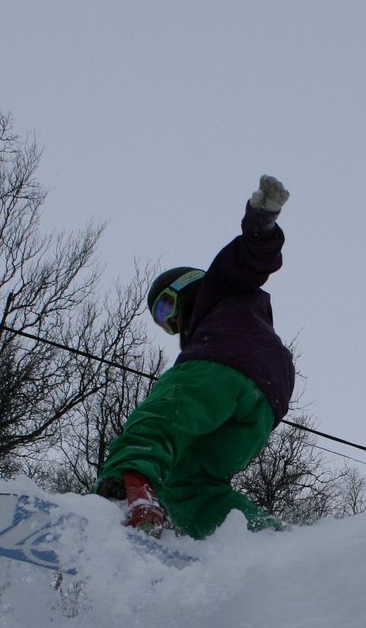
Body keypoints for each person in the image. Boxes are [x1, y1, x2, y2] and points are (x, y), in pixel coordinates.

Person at [95, 175, 295, 539]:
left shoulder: (217, 289)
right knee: (189, 482)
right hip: (265, 401)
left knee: (158, 419)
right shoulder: (222, 319)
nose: (171, 321)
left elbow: (251, 259)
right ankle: (269, 544)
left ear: (189, 285)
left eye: (168, 305)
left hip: (223, 363)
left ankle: (128, 489)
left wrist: (260, 223)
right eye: (162, 320)